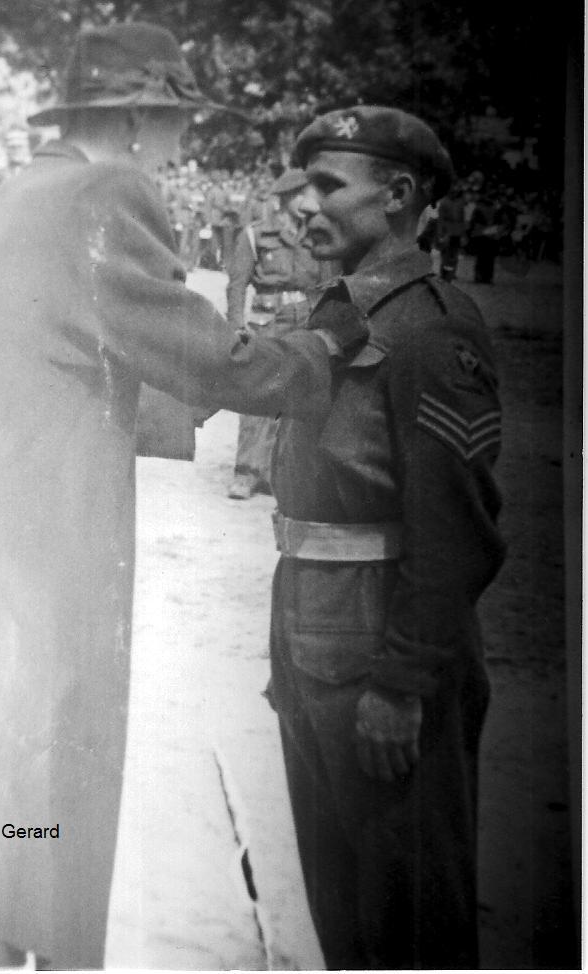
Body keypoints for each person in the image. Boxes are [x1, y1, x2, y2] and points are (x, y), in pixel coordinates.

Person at [0, 24, 364, 972]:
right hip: (29, 551)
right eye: (178, 114)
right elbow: (200, 353)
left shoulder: (27, 186)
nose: (183, 135)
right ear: (141, 117)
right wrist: (324, 351)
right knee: (22, 803)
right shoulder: (110, 192)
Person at [265, 105, 505, 968]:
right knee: (343, 910)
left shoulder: (429, 328)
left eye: (330, 186)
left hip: (382, 642)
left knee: (410, 920)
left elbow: (455, 533)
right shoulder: (342, 308)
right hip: (315, 627)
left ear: (399, 195)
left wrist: (402, 685)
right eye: (303, 187)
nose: (303, 205)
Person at [226, 168, 339, 499]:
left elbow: (329, 284)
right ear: (291, 198)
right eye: (308, 193)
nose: (314, 201)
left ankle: (278, 472)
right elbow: (237, 283)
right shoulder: (255, 234)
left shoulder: (319, 236)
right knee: (257, 392)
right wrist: (236, 323)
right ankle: (246, 471)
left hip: (306, 321)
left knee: (297, 396)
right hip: (268, 320)